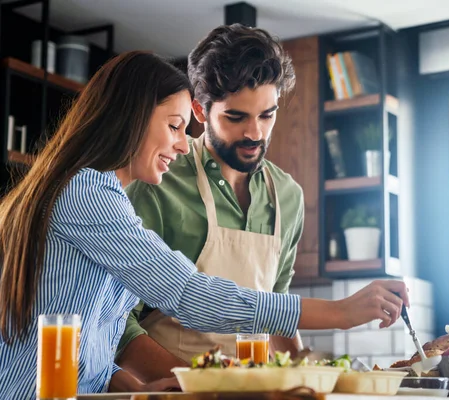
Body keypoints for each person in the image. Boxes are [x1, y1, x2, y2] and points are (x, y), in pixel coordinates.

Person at [0, 51, 409, 399]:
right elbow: (193, 295)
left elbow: (89, 349)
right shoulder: (87, 191)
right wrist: (339, 312)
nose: (182, 143)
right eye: (174, 126)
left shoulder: (105, 197)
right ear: (132, 118)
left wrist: (139, 384)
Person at [116, 24, 309, 381]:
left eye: (267, 115)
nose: (255, 134)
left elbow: (276, 311)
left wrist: (308, 379)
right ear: (200, 111)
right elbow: (117, 323)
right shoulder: (158, 181)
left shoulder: (288, 196)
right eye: (235, 117)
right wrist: (200, 384)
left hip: (253, 390)